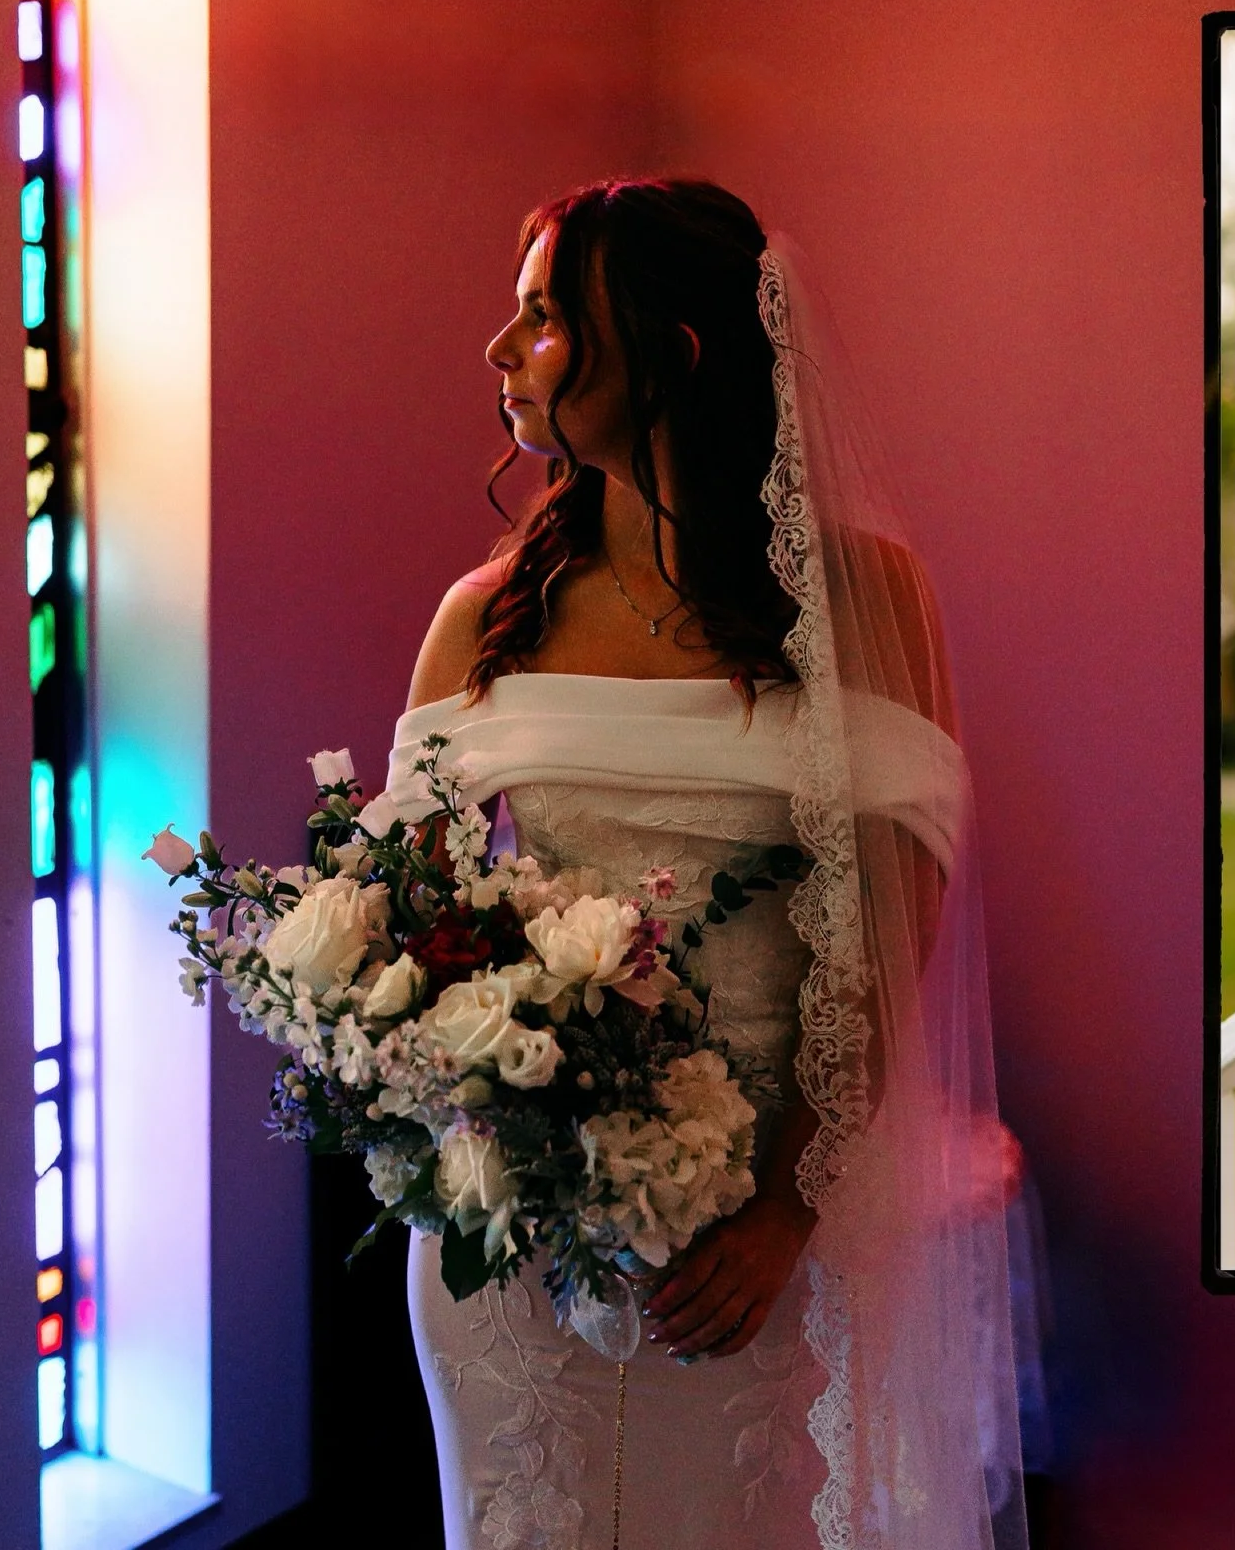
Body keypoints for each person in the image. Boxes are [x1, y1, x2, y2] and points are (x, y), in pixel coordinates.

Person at [386, 178, 1029, 1548]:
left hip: (753, 1231)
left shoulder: (863, 601)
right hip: (513, 1236)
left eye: (546, 319)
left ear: (674, 350)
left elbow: (891, 928)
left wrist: (788, 1210)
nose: (502, 354)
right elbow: (399, 924)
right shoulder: (487, 618)